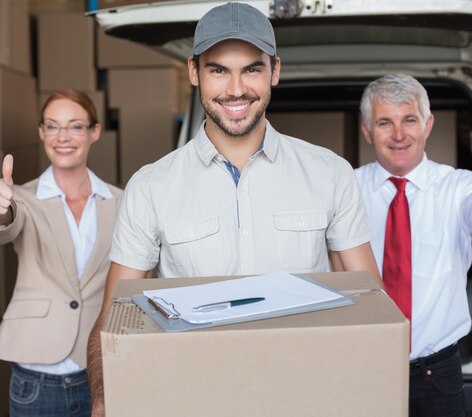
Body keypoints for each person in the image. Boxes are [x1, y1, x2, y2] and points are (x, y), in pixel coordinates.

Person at [87, 2, 382, 415]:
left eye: (252, 69)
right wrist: (103, 400)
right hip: (192, 399)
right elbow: (113, 319)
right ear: (194, 72)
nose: (236, 89)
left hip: (305, 396)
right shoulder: (151, 187)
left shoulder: (330, 173)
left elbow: (371, 302)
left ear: (274, 71)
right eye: (218, 70)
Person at [355, 73, 472, 417]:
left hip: (437, 376)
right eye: (385, 122)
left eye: (409, 120)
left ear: (428, 125)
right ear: (367, 130)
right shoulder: (345, 190)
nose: (399, 134)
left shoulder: (459, 187)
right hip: (361, 367)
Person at [0, 89, 122, 417]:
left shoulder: (122, 201)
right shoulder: (21, 199)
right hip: (37, 377)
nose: (63, 137)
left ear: (94, 131)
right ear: (41, 132)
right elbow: (4, 224)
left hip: (101, 371)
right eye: (53, 126)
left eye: (75, 126)